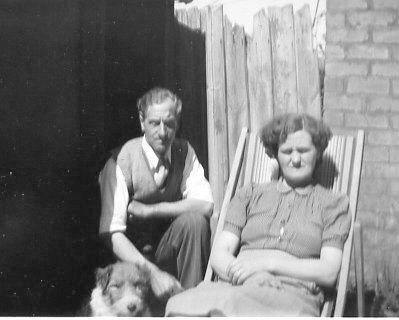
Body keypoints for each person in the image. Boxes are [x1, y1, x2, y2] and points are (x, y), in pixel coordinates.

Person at [165, 113, 352, 316]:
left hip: (290, 292)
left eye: (304, 151)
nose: (296, 159)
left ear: (318, 153)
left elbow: (329, 271)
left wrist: (268, 265)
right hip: (238, 284)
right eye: (287, 151)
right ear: (275, 154)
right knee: (179, 304)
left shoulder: (333, 204)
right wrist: (251, 276)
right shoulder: (250, 195)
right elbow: (219, 255)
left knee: (227, 307)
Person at [98, 87, 213, 303]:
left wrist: (150, 211)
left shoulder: (184, 152)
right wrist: (152, 274)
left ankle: (189, 307)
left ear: (177, 123)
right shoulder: (120, 161)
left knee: (195, 222)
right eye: (154, 123)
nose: (162, 132)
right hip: (131, 261)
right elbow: (110, 233)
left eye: (169, 123)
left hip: (167, 251)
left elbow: (205, 205)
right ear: (142, 122)